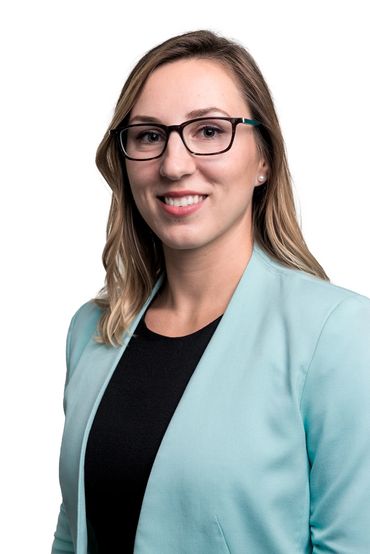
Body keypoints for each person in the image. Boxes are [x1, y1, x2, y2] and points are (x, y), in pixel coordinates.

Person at [51, 29, 370, 554]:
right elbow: (73, 529)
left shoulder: (337, 336)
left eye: (208, 130)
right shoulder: (91, 329)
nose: (174, 165)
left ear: (264, 158)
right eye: (150, 135)